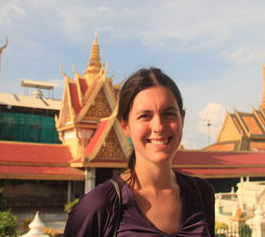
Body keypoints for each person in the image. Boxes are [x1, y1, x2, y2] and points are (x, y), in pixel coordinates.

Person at [64, 67, 215, 237]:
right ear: (125, 126)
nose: (158, 127)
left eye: (169, 114)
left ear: (182, 119)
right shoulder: (97, 206)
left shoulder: (202, 194)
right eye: (145, 116)